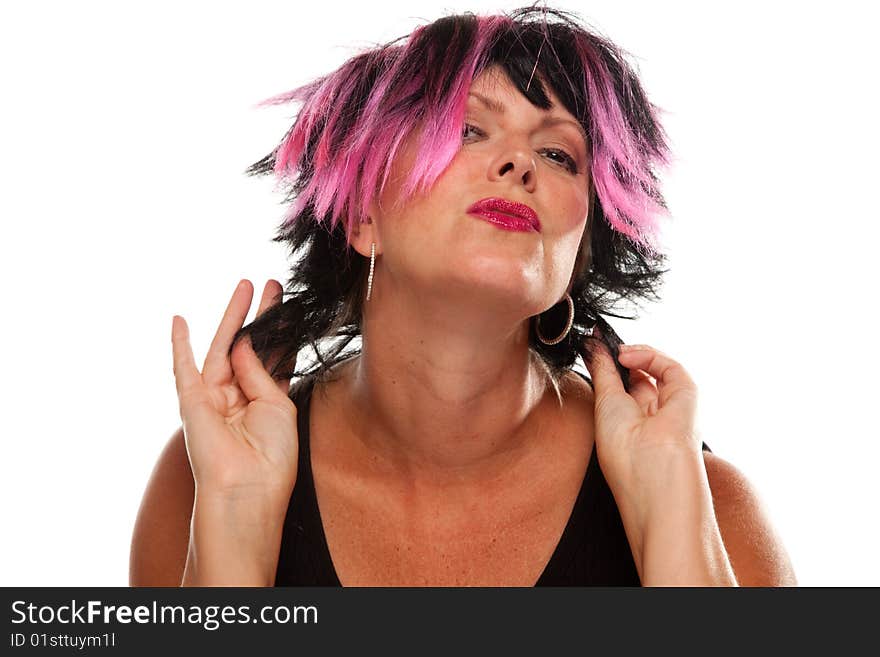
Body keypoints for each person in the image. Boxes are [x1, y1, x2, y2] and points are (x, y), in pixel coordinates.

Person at [130, 6, 797, 586]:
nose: (519, 164)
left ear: (579, 249)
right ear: (364, 214)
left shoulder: (712, 506)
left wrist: (672, 531)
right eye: (471, 130)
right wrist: (234, 526)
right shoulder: (202, 477)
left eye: (560, 155)